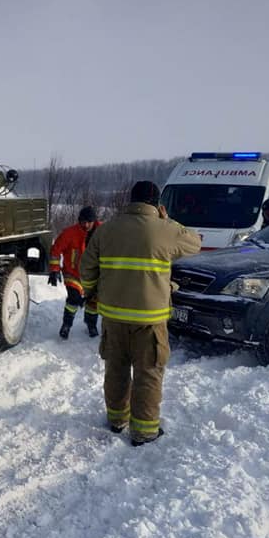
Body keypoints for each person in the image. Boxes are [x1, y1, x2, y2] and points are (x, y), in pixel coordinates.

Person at [79, 181, 201, 446]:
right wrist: (166, 218)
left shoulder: (107, 229)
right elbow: (195, 243)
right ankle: (144, 432)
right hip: (150, 319)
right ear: (156, 204)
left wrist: (93, 292)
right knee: (148, 373)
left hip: (113, 316)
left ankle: (116, 420)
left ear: (130, 200)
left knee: (116, 369)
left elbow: (86, 267)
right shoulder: (165, 229)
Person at [48, 206, 101, 339]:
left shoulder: (103, 232)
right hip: (73, 273)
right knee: (73, 299)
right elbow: (55, 250)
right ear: (79, 221)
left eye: (89, 221)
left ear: (94, 221)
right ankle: (66, 325)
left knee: (93, 302)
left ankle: (91, 324)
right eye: (83, 221)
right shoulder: (69, 233)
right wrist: (54, 269)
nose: (86, 224)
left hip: (95, 275)